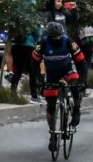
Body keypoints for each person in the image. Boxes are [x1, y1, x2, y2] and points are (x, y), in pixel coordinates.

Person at [31, 22, 87, 151]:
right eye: (54, 36)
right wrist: (40, 81)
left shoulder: (69, 42)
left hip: (67, 69)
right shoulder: (42, 44)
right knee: (51, 106)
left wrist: (82, 81)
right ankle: (52, 133)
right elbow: (34, 64)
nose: (57, 38)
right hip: (51, 73)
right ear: (49, 36)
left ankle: (76, 109)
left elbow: (81, 62)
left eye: (59, 35)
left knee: (76, 86)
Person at [6, 0, 41, 103]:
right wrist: (38, 38)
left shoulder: (12, 3)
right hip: (29, 43)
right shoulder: (30, 2)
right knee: (32, 70)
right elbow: (35, 26)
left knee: (18, 70)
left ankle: (13, 93)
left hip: (16, 43)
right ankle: (34, 95)